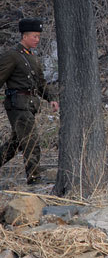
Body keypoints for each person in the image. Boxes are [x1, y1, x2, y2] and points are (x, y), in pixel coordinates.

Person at [0, 18, 59, 184]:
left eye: (39, 36)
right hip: (17, 105)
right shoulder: (12, 56)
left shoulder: (32, 57)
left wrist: (51, 99)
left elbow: (40, 83)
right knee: (31, 141)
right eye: (34, 36)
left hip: (29, 105)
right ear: (24, 36)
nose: (37, 40)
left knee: (16, 143)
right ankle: (34, 178)